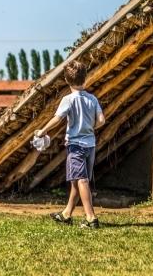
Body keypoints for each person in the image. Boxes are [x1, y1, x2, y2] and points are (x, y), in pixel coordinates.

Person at [35, 60, 105, 229]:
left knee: (81, 180)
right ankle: (66, 214)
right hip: (90, 145)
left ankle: (91, 218)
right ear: (85, 78)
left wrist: (42, 131)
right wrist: (89, 127)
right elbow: (101, 120)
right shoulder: (92, 99)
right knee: (77, 180)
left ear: (67, 80)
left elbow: (57, 119)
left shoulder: (68, 99)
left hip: (76, 146)